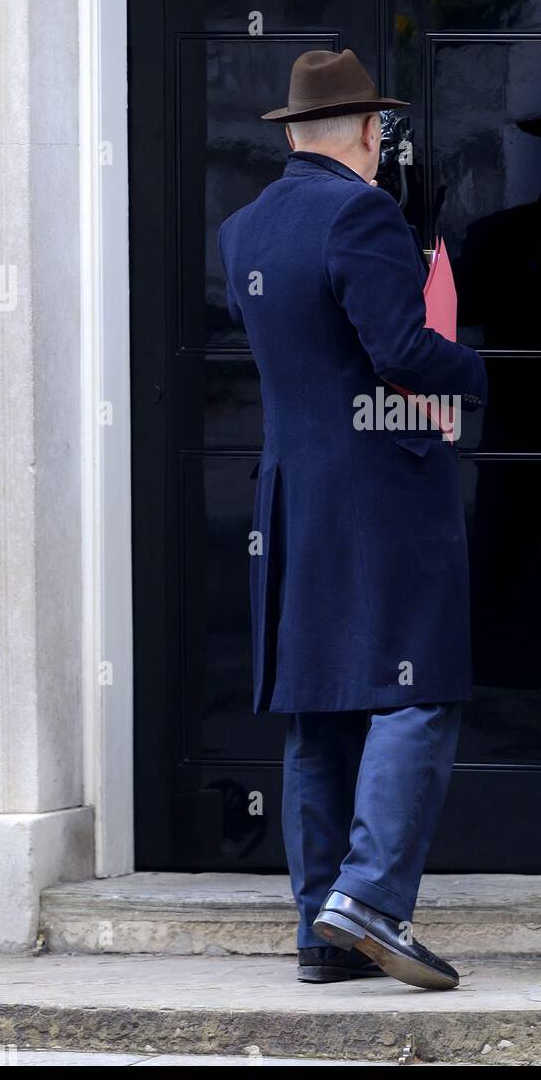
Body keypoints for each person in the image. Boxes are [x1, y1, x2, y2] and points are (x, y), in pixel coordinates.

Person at [217, 48, 487, 990]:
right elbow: (402, 351)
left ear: (292, 133)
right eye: (380, 135)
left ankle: (319, 933)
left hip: (292, 496)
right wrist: (476, 366)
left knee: (317, 707)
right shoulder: (361, 210)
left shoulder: (242, 231)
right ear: (369, 134)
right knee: (421, 688)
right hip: (382, 492)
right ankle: (369, 899)